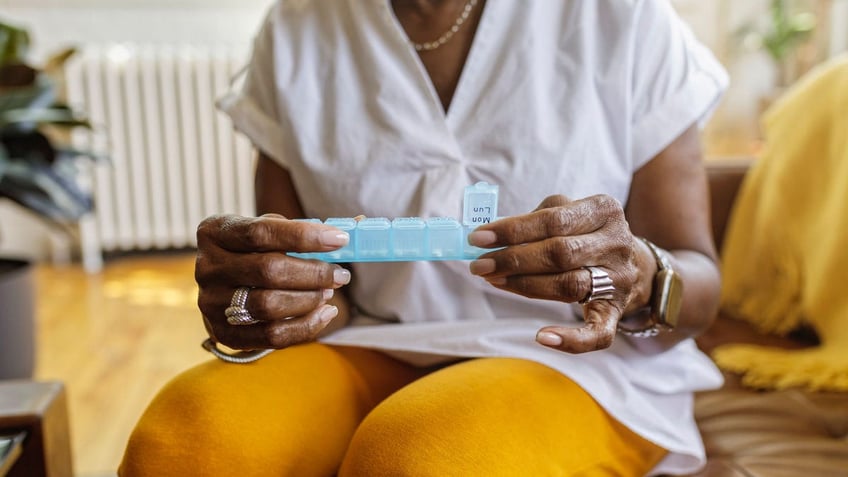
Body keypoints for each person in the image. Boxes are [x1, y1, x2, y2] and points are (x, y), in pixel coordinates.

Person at [119, 0, 728, 475]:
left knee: (422, 456)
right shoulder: (295, 30)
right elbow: (315, 289)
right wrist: (264, 298)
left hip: (578, 363)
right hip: (371, 343)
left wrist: (641, 272)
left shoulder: (622, 18)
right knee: (183, 443)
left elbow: (699, 279)